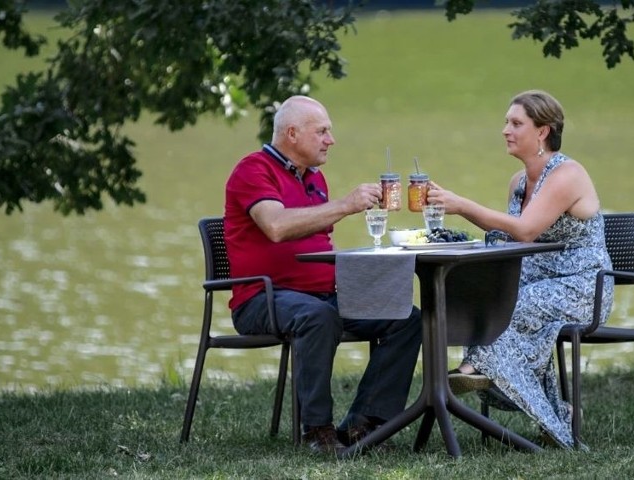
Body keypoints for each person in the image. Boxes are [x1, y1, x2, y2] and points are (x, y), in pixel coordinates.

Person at [223, 95, 422, 455]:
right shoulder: (253, 170)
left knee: (404, 316)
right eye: (323, 131)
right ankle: (318, 431)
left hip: (323, 296)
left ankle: (366, 424)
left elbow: (318, 239)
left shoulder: (315, 178)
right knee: (318, 317)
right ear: (293, 133)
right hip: (261, 298)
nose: (331, 139)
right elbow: (276, 226)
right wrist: (345, 205)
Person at [426, 89, 614, 449]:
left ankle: (476, 370)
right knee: (488, 301)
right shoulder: (517, 183)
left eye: (516, 123)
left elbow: (527, 230)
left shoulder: (567, 174)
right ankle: (553, 409)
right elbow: (514, 239)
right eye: (506, 122)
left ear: (542, 131)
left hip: (581, 288)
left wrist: (461, 205)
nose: (505, 130)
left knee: (509, 307)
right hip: (534, 284)